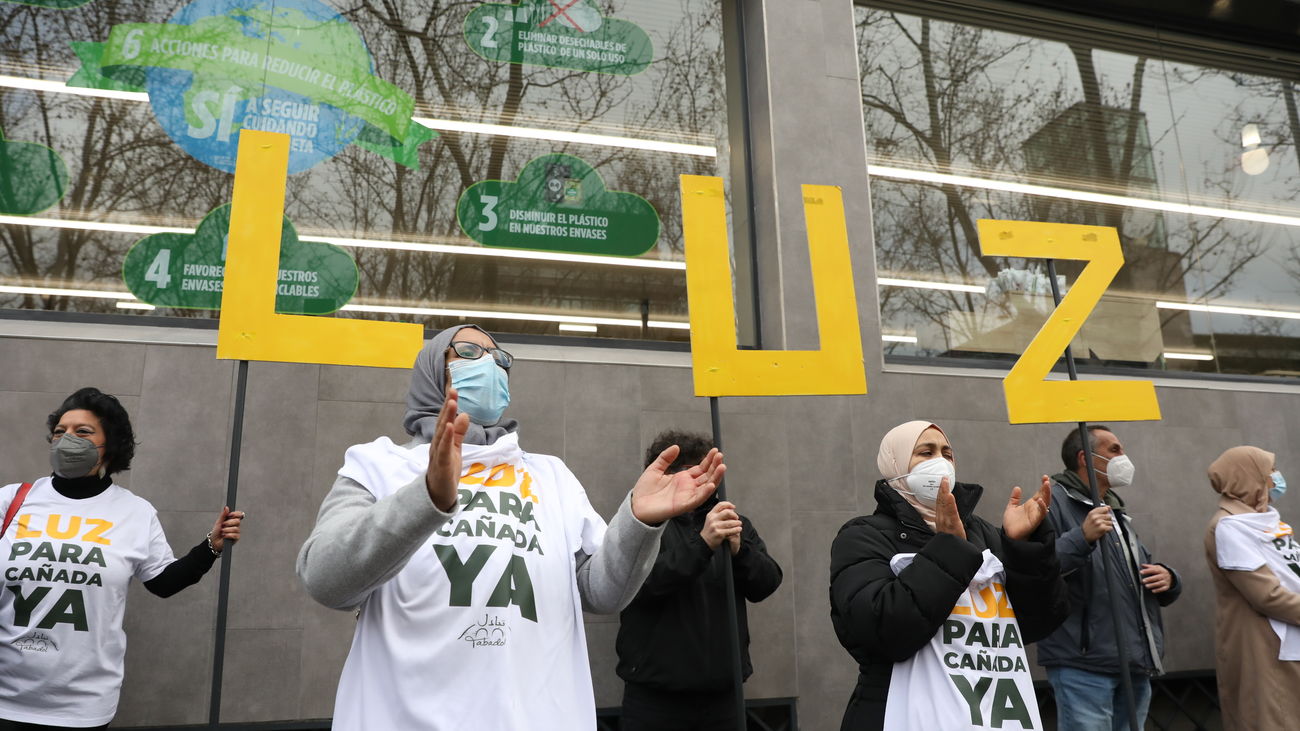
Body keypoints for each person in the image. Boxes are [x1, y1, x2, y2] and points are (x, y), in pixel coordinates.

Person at [296, 325, 725, 731]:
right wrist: (426, 498)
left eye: (499, 358)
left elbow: (602, 592)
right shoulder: (379, 465)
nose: (489, 363)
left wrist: (639, 521)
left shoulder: (550, 476)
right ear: (431, 370)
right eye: (468, 352)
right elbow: (326, 580)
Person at [0, 387, 244, 731]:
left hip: (83, 704)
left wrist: (210, 547)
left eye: (83, 432)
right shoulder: (12, 501)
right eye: (60, 431)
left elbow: (163, 583)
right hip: (6, 697)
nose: (66, 440)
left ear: (110, 446)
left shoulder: (134, 512)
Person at [829, 420, 1068, 730]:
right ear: (894, 464)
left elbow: (1037, 624)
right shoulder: (863, 536)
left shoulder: (982, 534)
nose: (940, 462)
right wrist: (949, 549)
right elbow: (881, 631)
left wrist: (1025, 549)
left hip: (986, 713)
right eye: (925, 453)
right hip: (899, 713)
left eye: (947, 454)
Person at [615, 430, 783, 731]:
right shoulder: (643, 527)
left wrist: (740, 551)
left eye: (705, 472)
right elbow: (638, 585)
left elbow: (767, 583)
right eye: (689, 473)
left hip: (723, 697)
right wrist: (702, 544)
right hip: (655, 698)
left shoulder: (732, 522)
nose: (700, 482)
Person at [1036, 425, 1181, 731]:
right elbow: (1035, 569)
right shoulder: (1052, 503)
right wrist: (1082, 538)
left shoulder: (1114, 510)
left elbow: (1134, 570)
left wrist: (1169, 578)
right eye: (1114, 450)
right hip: (1083, 665)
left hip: (1133, 664)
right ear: (1085, 458)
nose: (1123, 457)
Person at [1205, 445, 1300, 730]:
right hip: (1266, 649)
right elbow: (1266, 596)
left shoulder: (1267, 521)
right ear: (1247, 476)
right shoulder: (1228, 527)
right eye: (1270, 470)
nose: (1276, 477)